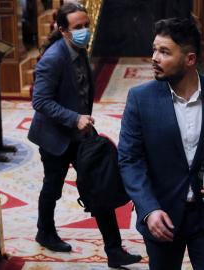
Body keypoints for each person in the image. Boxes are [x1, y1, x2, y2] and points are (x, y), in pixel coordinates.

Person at [118, 17, 204, 269]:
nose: (155, 58)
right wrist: (148, 209)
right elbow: (129, 160)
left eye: (164, 52)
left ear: (190, 59)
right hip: (163, 218)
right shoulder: (140, 98)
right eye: (155, 49)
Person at [27, 3, 142, 268]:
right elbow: (40, 101)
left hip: (81, 136)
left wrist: (82, 120)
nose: (85, 31)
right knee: (52, 188)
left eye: (86, 25)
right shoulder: (54, 58)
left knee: (99, 186)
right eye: (78, 27)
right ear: (63, 30)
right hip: (55, 137)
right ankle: (45, 231)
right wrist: (74, 118)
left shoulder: (79, 49)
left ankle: (114, 251)